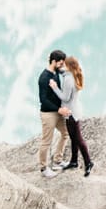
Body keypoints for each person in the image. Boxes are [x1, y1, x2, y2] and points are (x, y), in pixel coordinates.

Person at [50, 55, 93, 176]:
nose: (62, 66)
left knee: (78, 139)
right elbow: (63, 72)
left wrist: (54, 88)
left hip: (71, 113)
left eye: (64, 64)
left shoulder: (69, 80)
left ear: (68, 66)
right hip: (75, 110)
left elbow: (65, 97)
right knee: (73, 138)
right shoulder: (72, 74)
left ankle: (88, 162)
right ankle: (74, 161)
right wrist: (54, 64)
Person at [37, 49, 70, 178]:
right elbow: (43, 100)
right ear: (54, 62)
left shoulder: (56, 72)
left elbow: (66, 71)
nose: (62, 65)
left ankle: (58, 160)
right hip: (48, 114)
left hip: (58, 112)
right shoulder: (44, 78)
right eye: (60, 63)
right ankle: (43, 168)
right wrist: (59, 110)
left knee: (65, 133)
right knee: (46, 141)